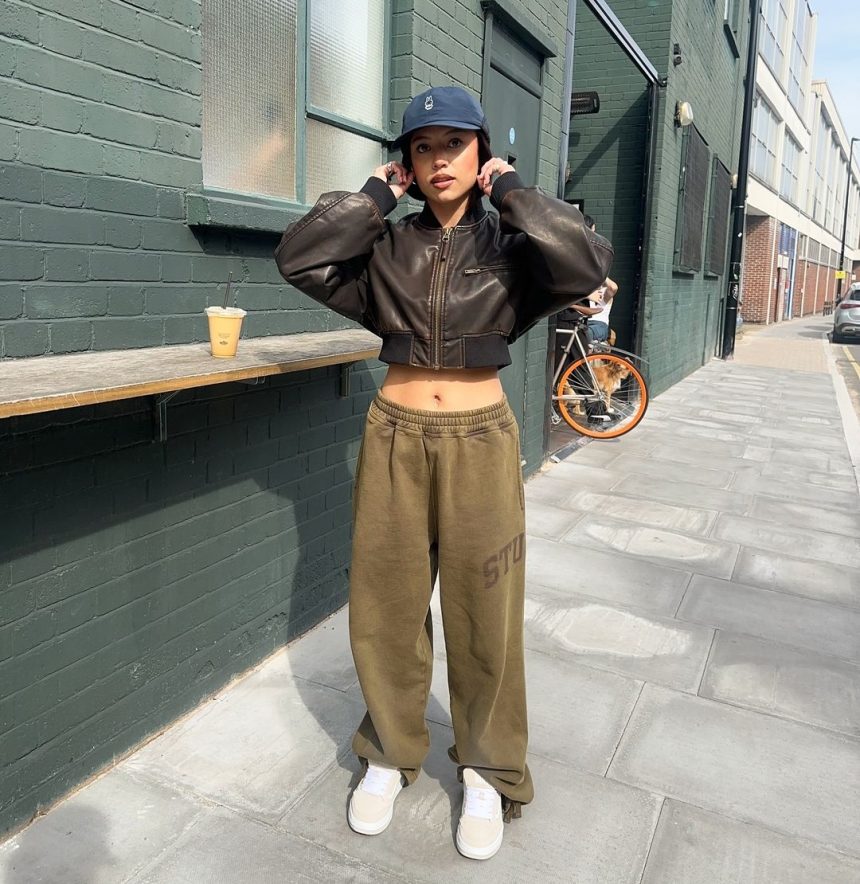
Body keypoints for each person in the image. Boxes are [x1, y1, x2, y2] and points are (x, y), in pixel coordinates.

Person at [274, 85, 612, 861]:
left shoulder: (513, 248)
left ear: (480, 152)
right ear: (408, 162)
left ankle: (488, 770)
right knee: (385, 606)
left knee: (484, 609)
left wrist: (512, 190)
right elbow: (299, 258)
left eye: (454, 145)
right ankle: (389, 753)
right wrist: (373, 197)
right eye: (422, 148)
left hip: (479, 440)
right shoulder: (386, 249)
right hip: (395, 436)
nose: (438, 161)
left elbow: (587, 260)